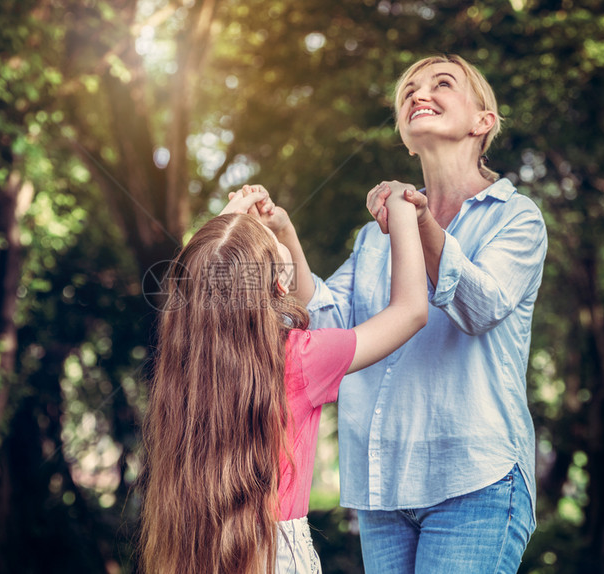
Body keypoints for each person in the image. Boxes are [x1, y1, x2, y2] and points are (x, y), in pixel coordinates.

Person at [256, 54, 548, 573]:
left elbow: (481, 306)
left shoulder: (517, 217)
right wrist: (286, 236)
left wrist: (415, 223)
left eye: (442, 83)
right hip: (384, 487)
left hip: (475, 479)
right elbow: (327, 323)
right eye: (409, 91)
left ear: (484, 123)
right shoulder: (375, 236)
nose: (419, 93)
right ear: (406, 136)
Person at [138, 185, 427, 574]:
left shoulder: (186, 364)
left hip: (199, 549)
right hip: (279, 557)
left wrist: (233, 223)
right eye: (272, 244)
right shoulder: (301, 356)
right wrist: (405, 213)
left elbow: (204, 281)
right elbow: (410, 311)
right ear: (279, 285)